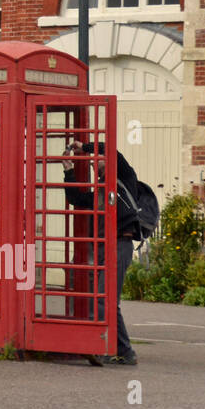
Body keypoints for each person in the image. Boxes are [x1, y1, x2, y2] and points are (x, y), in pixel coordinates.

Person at [61, 140, 140, 366]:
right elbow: (76, 199)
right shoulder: (99, 192)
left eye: (99, 160)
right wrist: (68, 171)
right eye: (94, 163)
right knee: (106, 299)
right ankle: (124, 351)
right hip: (103, 248)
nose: (96, 163)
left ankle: (103, 347)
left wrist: (84, 146)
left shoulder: (125, 178)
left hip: (120, 245)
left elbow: (111, 151)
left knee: (105, 299)